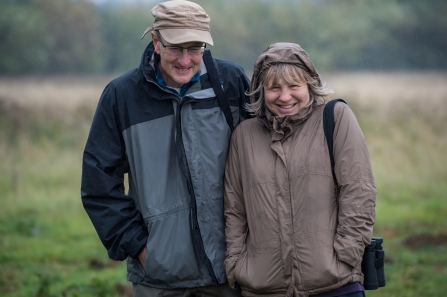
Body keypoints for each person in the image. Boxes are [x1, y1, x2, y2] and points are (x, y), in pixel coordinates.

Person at [81, 1, 250, 296]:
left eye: (195, 48)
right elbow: (98, 183)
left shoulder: (230, 82)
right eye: (176, 48)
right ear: (156, 42)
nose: (186, 60)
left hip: (230, 274)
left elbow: (263, 163)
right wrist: (141, 248)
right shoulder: (122, 96)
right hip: (158, 280)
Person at [223, 42, 376, 297]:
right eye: (274, 88)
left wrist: (347, 255)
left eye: (294, 86)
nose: (285, 97)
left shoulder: (336, 117)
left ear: (310, 85)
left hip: (335, 286)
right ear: (261, 92)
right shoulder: (243, 136)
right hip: (264, 289)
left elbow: (359, 191)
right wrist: (238, 264)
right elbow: (234, 209)